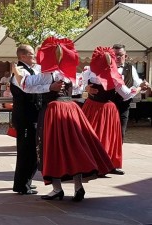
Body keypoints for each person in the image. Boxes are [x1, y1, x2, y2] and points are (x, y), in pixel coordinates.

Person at [12, 37, 114, 202]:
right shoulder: (70, 72)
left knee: (53, 149)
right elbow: (79, 89)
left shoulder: (48, 73)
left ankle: (57, 189)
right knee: (74, 148)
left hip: (54, 111)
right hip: (71, 109)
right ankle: (78, 186)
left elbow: (27, 84)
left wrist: (17, 73)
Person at [86, 44, 149, 175]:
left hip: (107, 107)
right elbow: (126, 93)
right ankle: (100, 165)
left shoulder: (92, 71)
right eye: (115, 56)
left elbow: (79, 82)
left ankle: (105, 164)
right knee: (102, 137)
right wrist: (139, 89)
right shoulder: (111, 74)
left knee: (113, 136)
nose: (117, 58)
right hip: (106, 108)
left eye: (120, 55)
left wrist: (141, 85)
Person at [10, 44, 51, 195]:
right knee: (26, 151)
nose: (34, 57)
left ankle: (26, 181)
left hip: (33, 114)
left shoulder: (33, 70)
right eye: (32, 54)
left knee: (33, 150)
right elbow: (27, 87)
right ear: (23, 56)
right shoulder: (19, 71)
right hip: (25, 116)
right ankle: (21, 185)